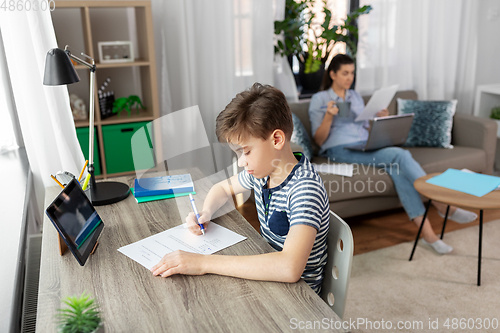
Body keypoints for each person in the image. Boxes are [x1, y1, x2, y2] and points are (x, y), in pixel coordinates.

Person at [151, 83, 330, 294]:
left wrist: (203, 263)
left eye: (245, 151)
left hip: (298, 297)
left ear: (277, 139)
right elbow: (221, 189)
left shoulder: (305, 190)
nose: (241, 162)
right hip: (270, 277)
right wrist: (206, 212)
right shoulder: (265, 172)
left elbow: (289, 268)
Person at [308, 54, 477, 255]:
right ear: (333, 74)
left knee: (396, 170)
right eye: (345, 73)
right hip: (339, 149)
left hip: (364, 144)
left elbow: (365, 126)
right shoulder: (319, 99)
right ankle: (443, 205)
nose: (349, 77)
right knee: (400, 155)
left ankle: (429, 235)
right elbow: (318, 140)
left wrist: (379, 120)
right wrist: (328, 116)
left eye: (352, 73)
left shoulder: (355, 97)